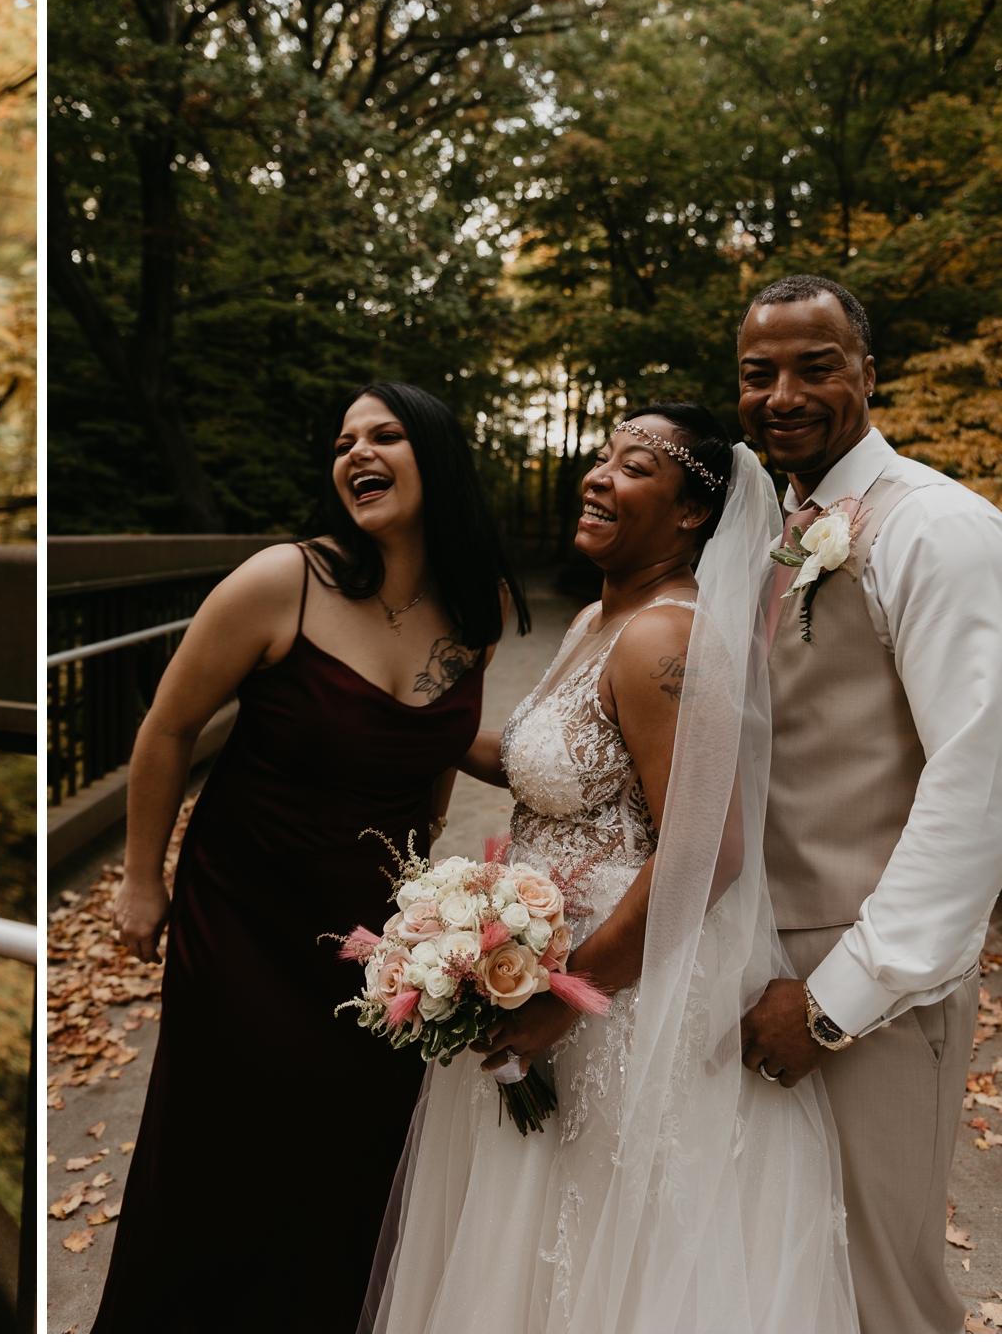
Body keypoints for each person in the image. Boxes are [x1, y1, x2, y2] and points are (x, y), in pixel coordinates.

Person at [367, 404, 857, 1331]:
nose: (597, 475)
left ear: (688, 514)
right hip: (546, 970)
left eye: (633, 465)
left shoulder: (664, 639)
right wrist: (387, 722)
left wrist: (566, 998)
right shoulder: (601, 615)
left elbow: (705, 853)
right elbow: (536, 759)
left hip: (618, 998)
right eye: (600, 457)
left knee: (603, 1253)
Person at [93, 382, 529, 1332]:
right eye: (342, 443)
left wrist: (426, 906)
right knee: (224, 1147)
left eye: (384, 435)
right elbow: (167, 728)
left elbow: (432, 755)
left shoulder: (479, 607)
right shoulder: (281, 580)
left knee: (351, 1148)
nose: (355, 454)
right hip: (243, 912)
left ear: (439, 457)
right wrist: (140, 878)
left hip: (377, 940)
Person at [733, 275, 1002, 1332]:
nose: (781, 393)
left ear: (868, 372)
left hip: (864, 989)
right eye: (756, 372)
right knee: (787, 1278)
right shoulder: (773, 525)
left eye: (813, 365)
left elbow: (982, 784)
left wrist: (833, 999)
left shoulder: (940, 529)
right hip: (755, 964)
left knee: (879, 1291)